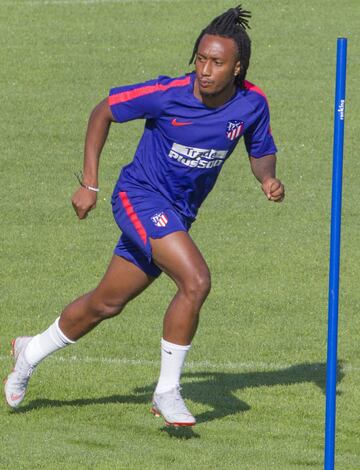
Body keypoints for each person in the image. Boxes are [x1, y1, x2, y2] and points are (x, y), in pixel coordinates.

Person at [4, 5, 284, 426]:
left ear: (237, 67)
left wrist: (268, 181)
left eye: (217, 62)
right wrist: (90, 184)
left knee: (105, 303)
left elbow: (260, 151)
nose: (205, 70)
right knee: (196, 280)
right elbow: (103, 111)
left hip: (178, 215)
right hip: (139, 198)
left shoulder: (251, 104)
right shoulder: (166, 93)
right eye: (201, 59)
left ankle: (29, 352)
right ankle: (167, 392)